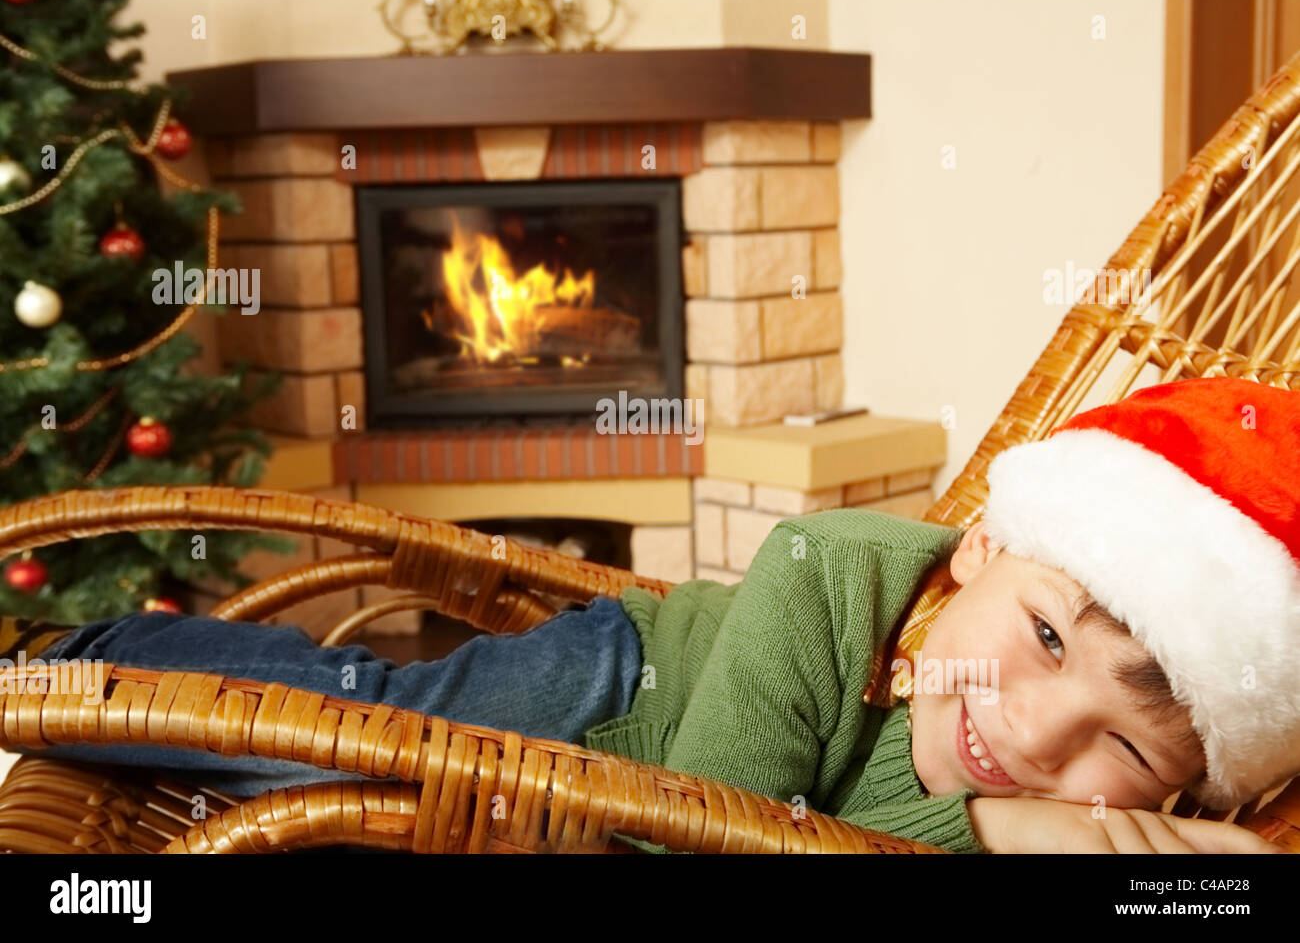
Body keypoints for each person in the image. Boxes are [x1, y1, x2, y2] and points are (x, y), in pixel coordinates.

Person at [1, 377, 1292, 853]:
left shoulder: (1115, 829)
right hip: (629, 687)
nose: (1032, 733)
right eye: (1048, 638)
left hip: (614, 805)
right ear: (983, 547)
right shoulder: (835, 567)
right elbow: (710, 829)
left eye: (1127, 748)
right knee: (358, 723)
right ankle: (74, 660)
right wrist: (990, 832)